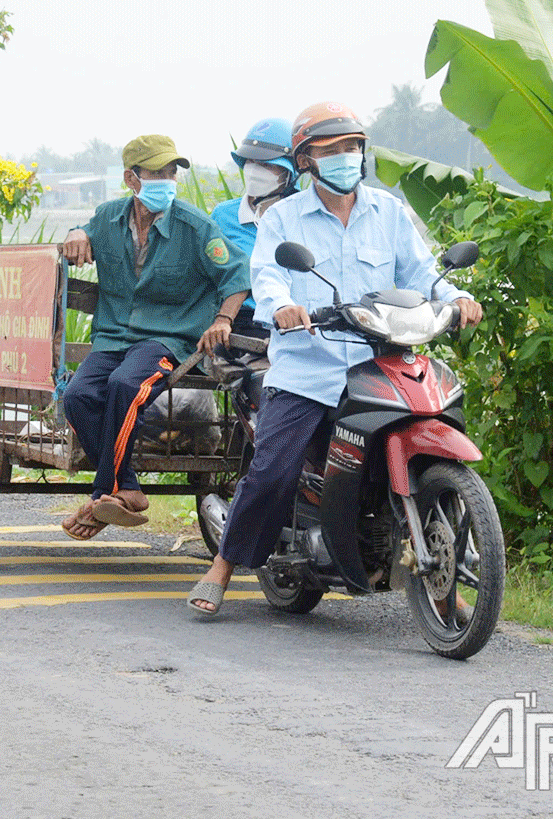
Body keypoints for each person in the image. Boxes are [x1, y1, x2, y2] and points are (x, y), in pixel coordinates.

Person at [187, 102, 485, 615]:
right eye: (331, 151)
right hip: (308, 370)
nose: (346, 158)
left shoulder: (388, 213)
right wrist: (282, 306)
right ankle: (224, 566)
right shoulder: (283, 218)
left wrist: (454, 296)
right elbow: (268, 275)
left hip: (379, 365)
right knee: (274, 470)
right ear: (305, 162)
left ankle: (444, 581)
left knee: (425, 439)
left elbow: (422, 274)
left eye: (352, 148)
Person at [59, 134, 251, 540]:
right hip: (113, 337)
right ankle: (125, 484)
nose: (167, 180)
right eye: (157, 173)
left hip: (168, 339)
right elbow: (85, 233)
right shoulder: (109, 217)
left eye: (171, 173)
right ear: (131, 178)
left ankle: (105, 494)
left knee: (125, 384)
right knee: (76, 396)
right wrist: (78, 232)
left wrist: (223, 318)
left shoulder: (195, 226)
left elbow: (237, 275)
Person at [210, 118, 299, 335]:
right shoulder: (224, 215)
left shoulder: (302, 214)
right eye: (251, 162)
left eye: (268, 165)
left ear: (290, 173)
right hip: (240, 320)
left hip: (294, 320)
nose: (256, 170)